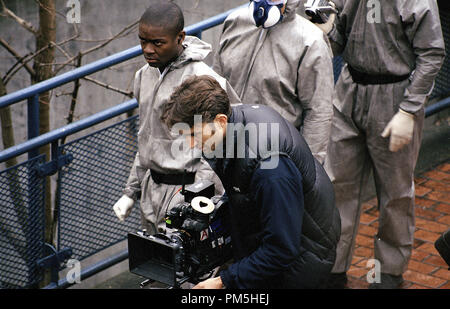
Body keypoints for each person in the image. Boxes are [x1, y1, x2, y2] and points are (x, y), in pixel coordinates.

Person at [161, 75, 341, 289]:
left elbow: (281, 249)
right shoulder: (237, 121)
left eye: (193, 134)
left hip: (302, 258)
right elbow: (244, 184)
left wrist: (223, 281)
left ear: (219, 121)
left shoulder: (270, 168)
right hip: (282, 236)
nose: (190, 144)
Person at [314, 0, 446, 288]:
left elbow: (432, 54)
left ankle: (388, 273)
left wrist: (409, 110)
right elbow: (340, 41)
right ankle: (333, 268)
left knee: (395, 193)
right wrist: (324, 33)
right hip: (349, 90)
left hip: (394, 96)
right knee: (337, 186)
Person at [112, 1, 240, 235]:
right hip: (151, 191)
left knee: (190, 268)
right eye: (143, 41)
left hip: (188, 192)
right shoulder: (144, 76)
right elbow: (146, 138)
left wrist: (203, 199)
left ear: (180, 38)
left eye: (157, 42)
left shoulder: (205, 81)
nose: (148, 49)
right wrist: (130, 192)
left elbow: (224, 145)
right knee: (155, 264)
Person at [213, 0, 335, 164]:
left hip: (274, 161)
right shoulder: (234, 22)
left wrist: (307, 171)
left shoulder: (311, 41)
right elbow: (213, 89)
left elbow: (318, 114)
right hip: (223, 153)